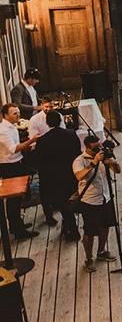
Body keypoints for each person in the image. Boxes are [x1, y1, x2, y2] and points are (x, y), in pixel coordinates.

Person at [73, 134, 120, 272]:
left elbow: (118, 171)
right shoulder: (79, 160)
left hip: (105, 197)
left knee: (106, 226)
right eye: (95, 148)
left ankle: (101, 251)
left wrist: (112, 162)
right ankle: (88, 258)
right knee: (90, 232)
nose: (98, 149)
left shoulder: (103, 156)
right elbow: (79, 176)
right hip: (90, 201)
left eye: (99, 146)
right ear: (87, 147)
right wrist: (93, 162)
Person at [33, 111, 81, 239]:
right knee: (69, 200)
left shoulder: (42, 140)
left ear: (47, 123)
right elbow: (77, 152)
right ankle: (69, 226)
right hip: (70, 173)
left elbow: (39, 161)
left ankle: (72, 229)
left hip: (54, 177)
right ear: (60, 120)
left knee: (61, 202)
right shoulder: (71, 134)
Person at [0, 103, 40, 240]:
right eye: (14, 113)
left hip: (16, 163)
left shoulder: (11, 127)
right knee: (14, 200)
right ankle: (18, 231)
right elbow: (14, 148)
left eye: (18, 112)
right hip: (9, 166)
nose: (18, 115)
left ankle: (16, 225)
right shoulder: (3, 131)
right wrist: (31, 141)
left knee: (17, 200)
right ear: (5, 115)